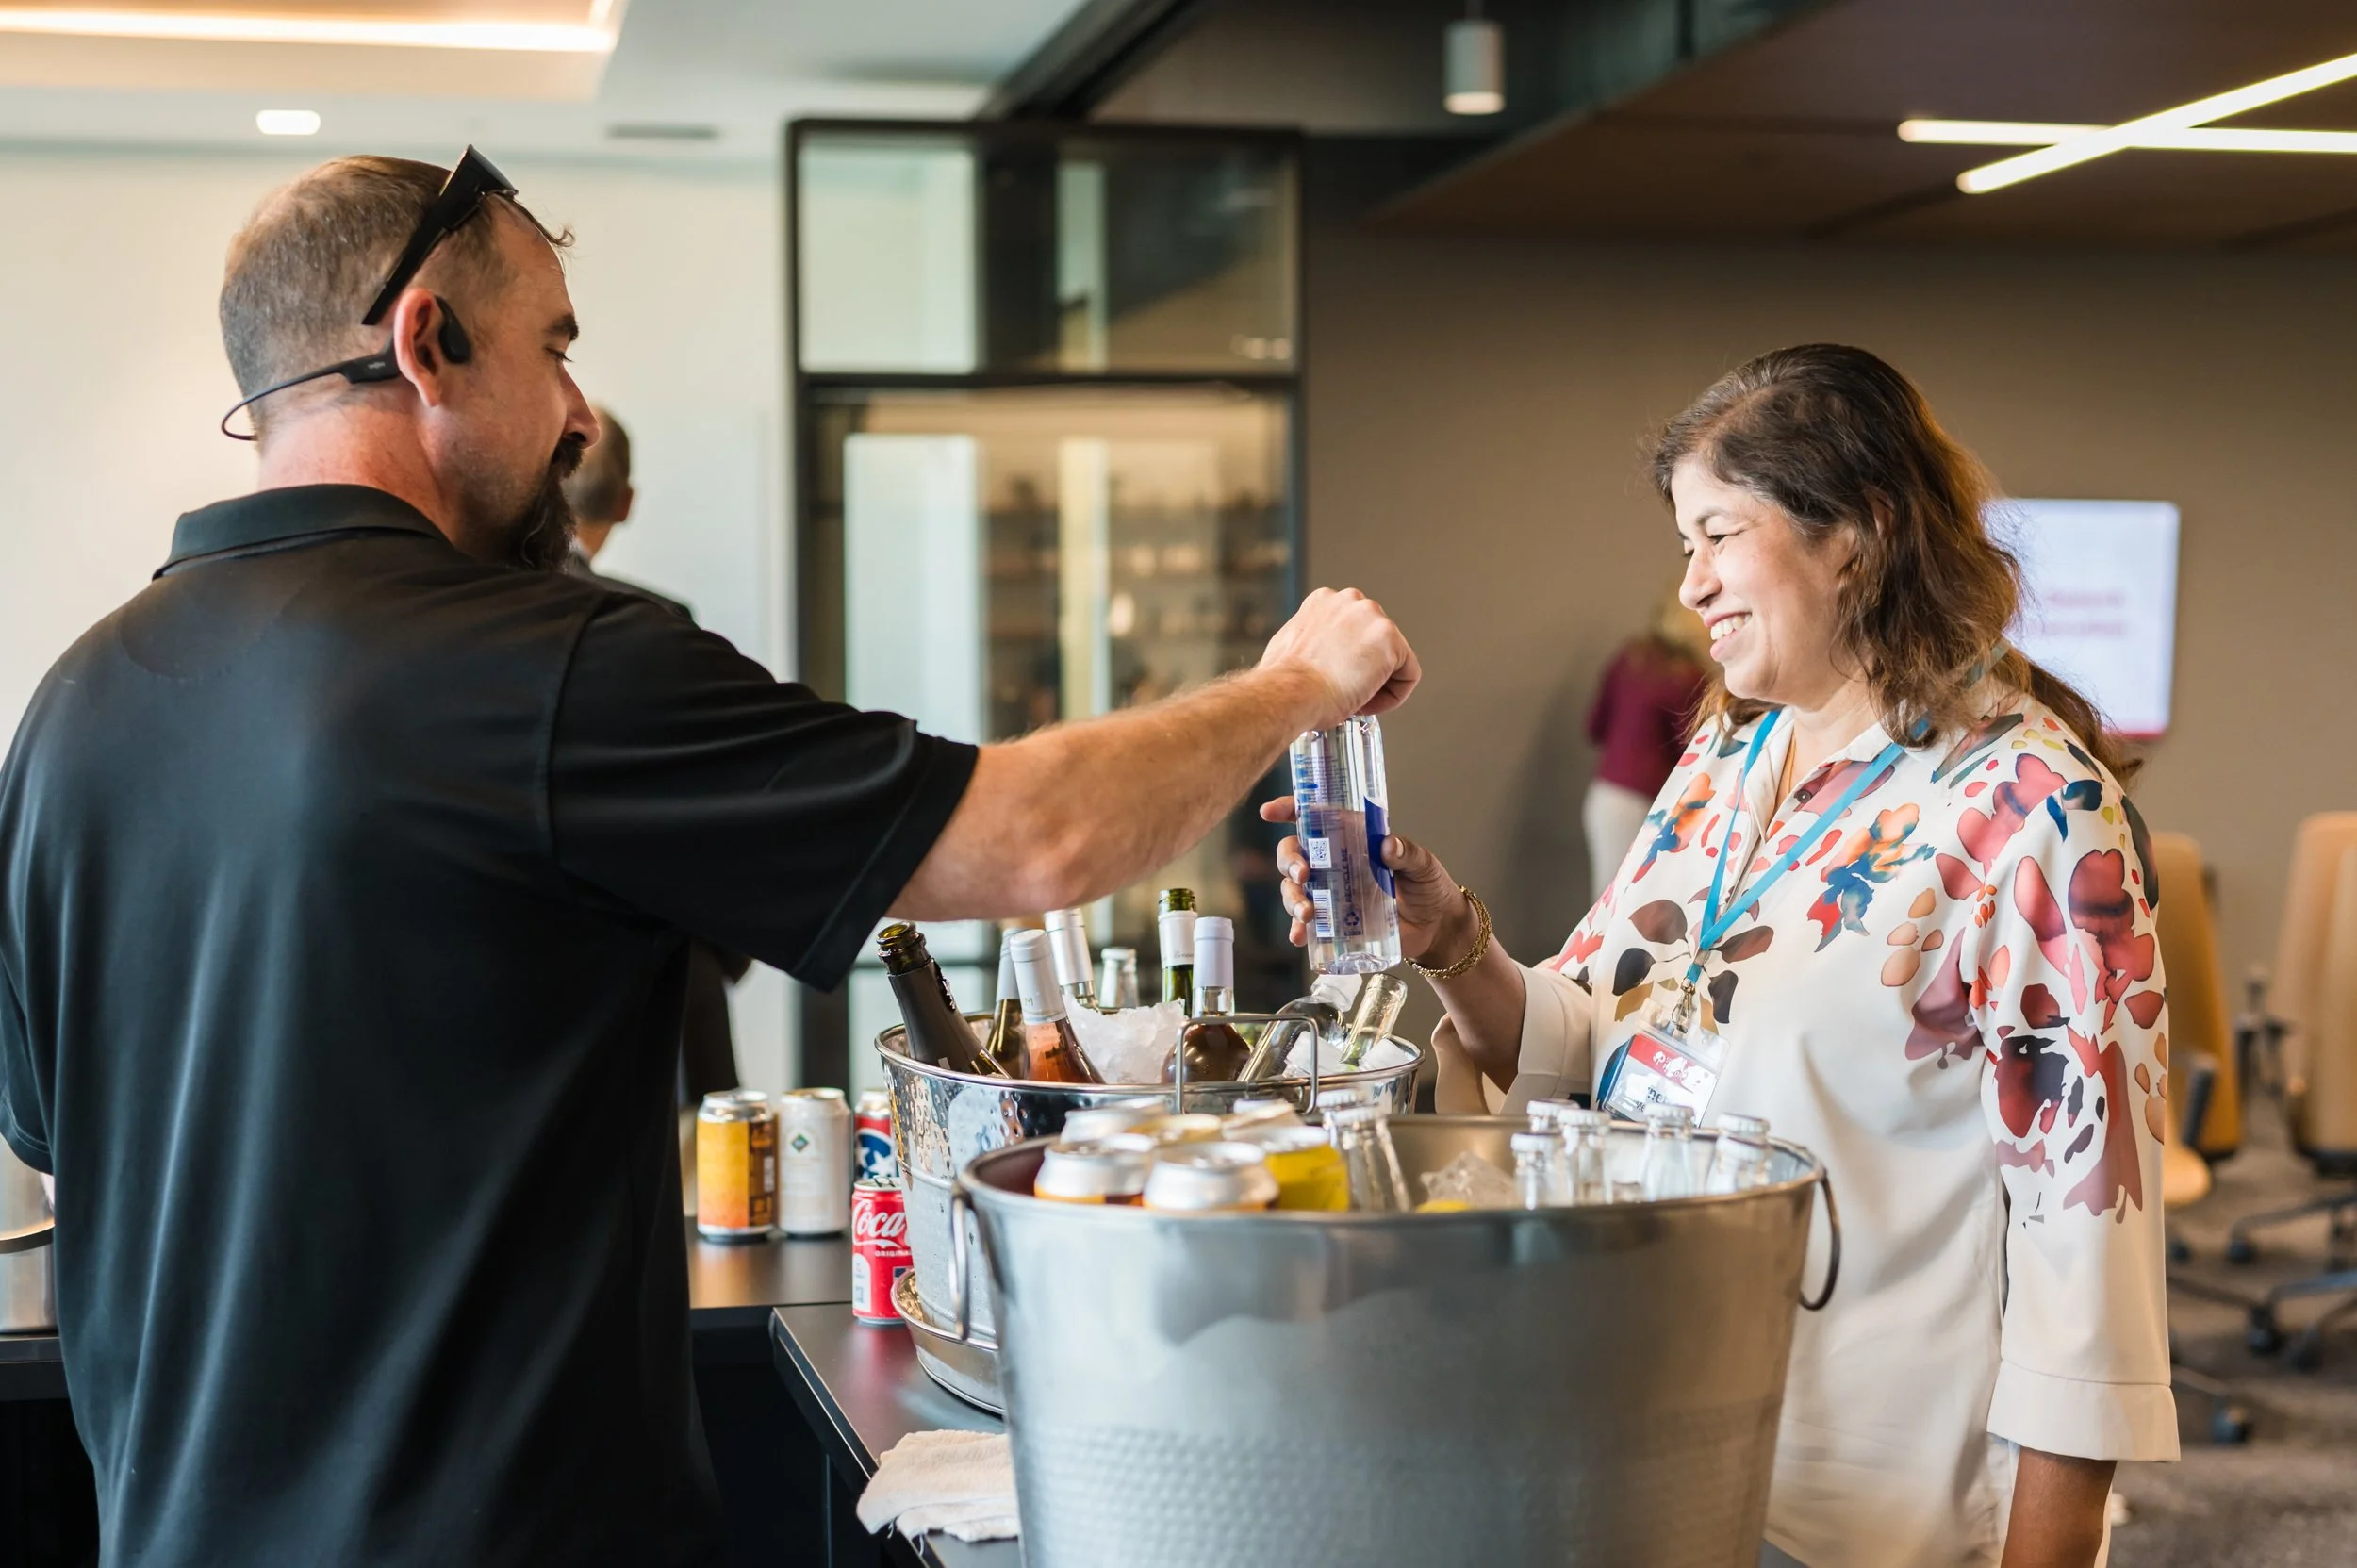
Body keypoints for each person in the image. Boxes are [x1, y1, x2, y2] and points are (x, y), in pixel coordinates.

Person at [0, 151, 1418, 1567]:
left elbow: (48, 1135)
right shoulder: (548, 666)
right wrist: (1293, 682)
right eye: (553, 347)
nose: (572, 411)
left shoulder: (71, 708)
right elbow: (1032, 834)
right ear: (427, 338)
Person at [1273, 345, 2172, 1568]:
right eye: (1684, 542)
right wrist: (1447, 936)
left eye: (1718, 535)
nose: (1688, 584)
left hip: (1871, 1500)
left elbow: (2090, 1237)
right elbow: (1592, 1031)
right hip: (1651, 1429)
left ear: (1857, 532)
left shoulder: (2032, 810)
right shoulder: (1733, 754)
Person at [559, 404, 747, 1104]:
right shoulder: (657, 625)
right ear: (627, 503)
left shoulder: (464, 609)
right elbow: (717, 808)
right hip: (667, 973)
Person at [1583, 588, 1708, 900]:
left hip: (1603, 796)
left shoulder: (1630, 657)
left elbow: (1594, 726)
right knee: (1624, 902)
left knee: (1605, 899)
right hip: (1643, 804)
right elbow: (1698, 753)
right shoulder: (1687, 676)